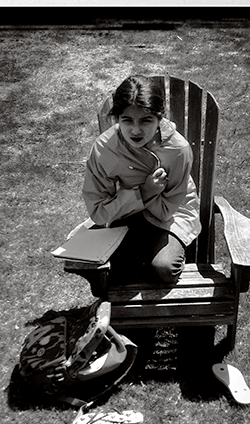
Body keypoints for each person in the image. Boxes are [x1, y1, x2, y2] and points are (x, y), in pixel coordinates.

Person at [82, 75, 201, 285]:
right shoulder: (104, 149)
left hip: (172, 216)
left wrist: (141, 194)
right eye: (127, 120)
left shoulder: (178, 149)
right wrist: (145, 192)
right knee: (118, 270)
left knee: (164, 268)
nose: (136, 130)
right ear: (116, 119)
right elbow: (98, 211)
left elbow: (166, 211)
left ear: (159, 118)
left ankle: (169, 252)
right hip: (129, 213)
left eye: (146, 120)